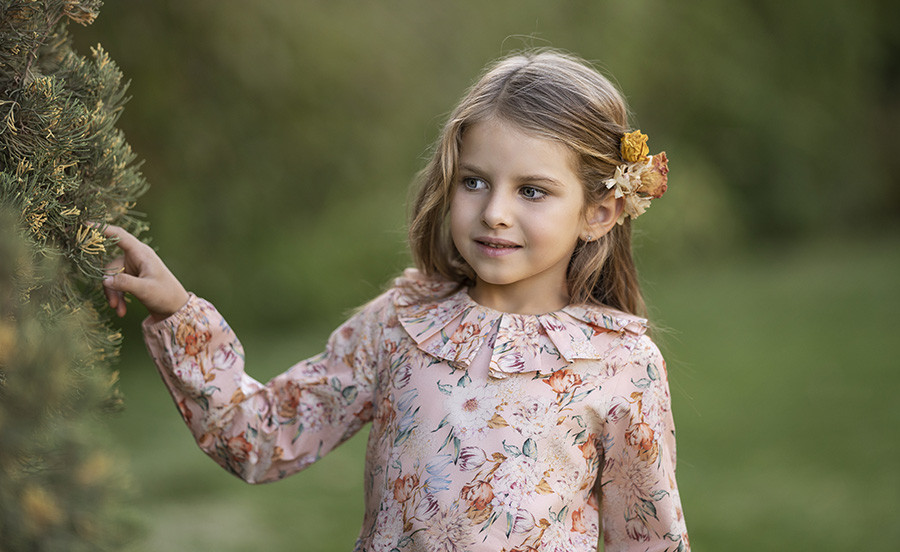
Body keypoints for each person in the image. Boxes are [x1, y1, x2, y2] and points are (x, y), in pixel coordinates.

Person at [102, 49, 688, 552]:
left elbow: (650, 539)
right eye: (474, 181)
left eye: (531, 191)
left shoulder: (620, 367)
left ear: (598, 212)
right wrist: (176, 311)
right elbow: (261, 436)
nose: (495, 212)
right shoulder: (403, 322)